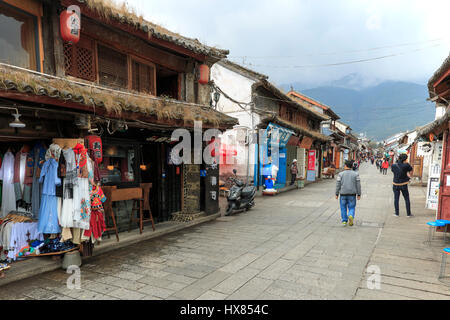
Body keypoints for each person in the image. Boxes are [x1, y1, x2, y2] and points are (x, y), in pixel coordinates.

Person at [335, 160, 362, 227]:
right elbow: (358, 185)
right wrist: (359, 194)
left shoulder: (340, 174)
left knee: (343, 207)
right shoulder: (356, 174)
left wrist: (336, 193)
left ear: (345, 166)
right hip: (352, 194)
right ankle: (350, 215)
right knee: (352, 207)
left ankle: (344, 220)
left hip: (343, 194)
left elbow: (338, 184)